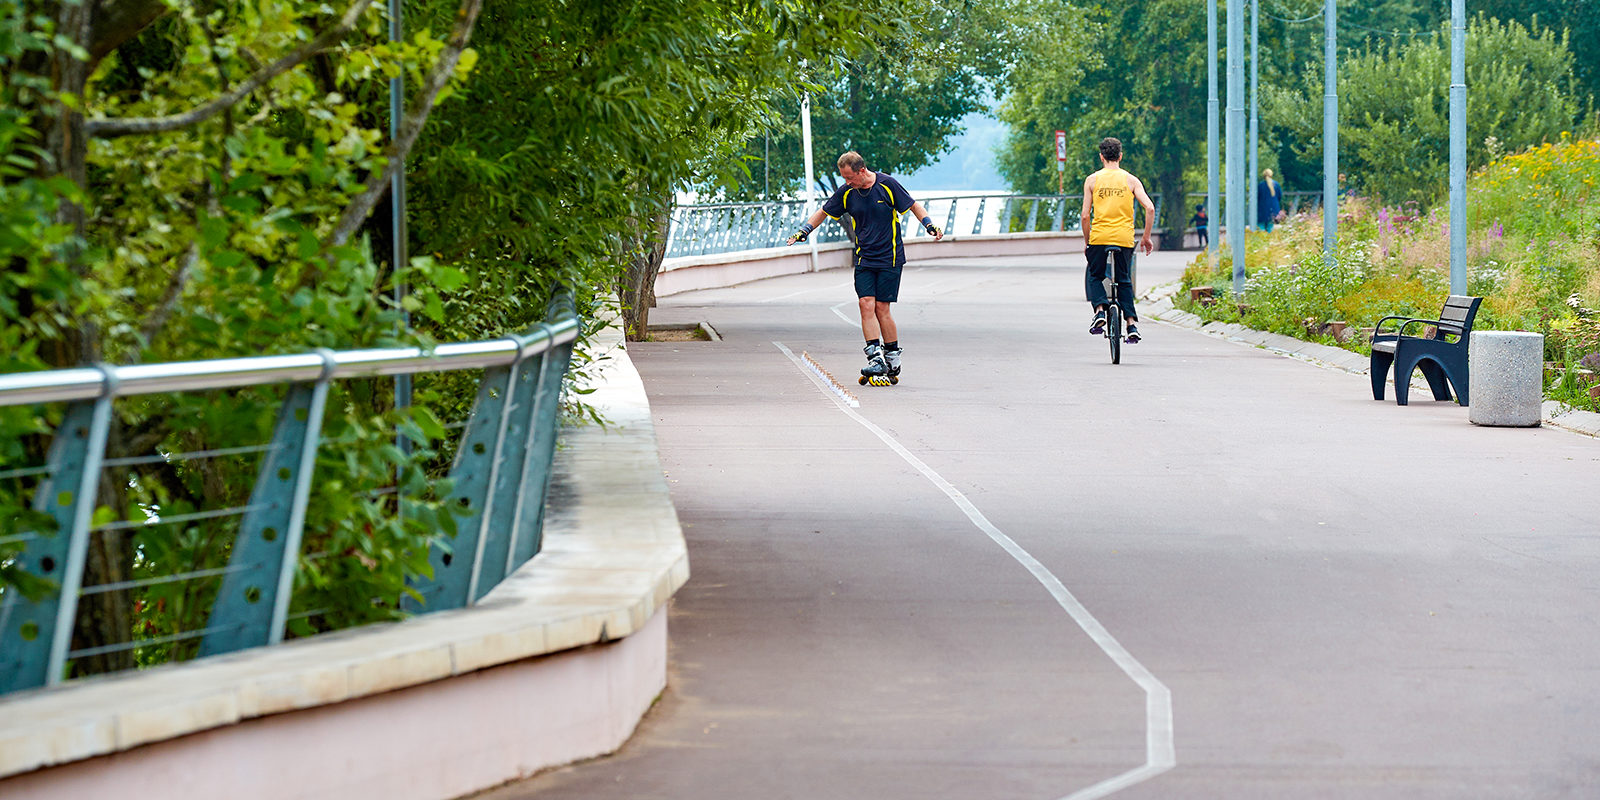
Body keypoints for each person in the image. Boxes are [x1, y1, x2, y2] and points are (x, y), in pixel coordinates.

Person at [787, 151, 943, 379]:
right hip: (864, 258)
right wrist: (804, 231)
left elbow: (914, 206)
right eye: (844, 178)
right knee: (865, 303)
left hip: (890, 257)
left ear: (862, 170)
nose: (847, 182)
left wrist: (929, 226)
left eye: (849, 177)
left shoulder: (887, 185)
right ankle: (875, 358)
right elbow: (823, 212)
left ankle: (892, 356)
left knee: (882, 308)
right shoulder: (848, 192)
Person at [1082, 137, 1154, 343]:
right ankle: (1131, 324)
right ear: (1120, 156)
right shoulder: (1131, 180)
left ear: (1101, 157)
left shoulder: (1092, 180)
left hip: (1099, 237)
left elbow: (1085, 216)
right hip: (1124, 239)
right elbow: (1149, 208)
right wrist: (1146, 237)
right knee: (1124, 280)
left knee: (1095, 276)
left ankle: (1100, 311)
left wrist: (1088, 242)